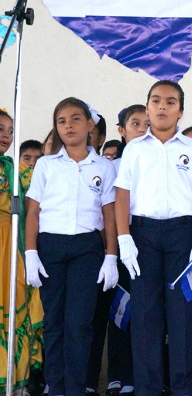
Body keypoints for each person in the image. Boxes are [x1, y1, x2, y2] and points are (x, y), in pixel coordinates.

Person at [114, 80, 192, 396]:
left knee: (182, 314)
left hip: (182, 236)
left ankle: (185, 389)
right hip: (143, 236)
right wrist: (124, 238)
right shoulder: (134, 149)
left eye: (170, 102)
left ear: (180, 111)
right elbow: (121, 196)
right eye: (156, 101)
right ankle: (148, 388)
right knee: (145, 316)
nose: (162, 106)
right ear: (147, 108)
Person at [25, 97, 119, 396]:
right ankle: (56, 387)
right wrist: (30, 253)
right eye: (62, 121)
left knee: (79, 324)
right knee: (54, 323)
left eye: (75, 119)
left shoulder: (104, 167)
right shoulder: (46, 165)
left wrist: (110, 256)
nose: (69, 125)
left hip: (87, 249)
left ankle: (77, 388)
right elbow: (33, 211)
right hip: (50, 247)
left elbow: (109, 214)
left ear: (89, 124)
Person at [86, 105, 148, 396]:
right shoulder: (112, 166)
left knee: (146, 310)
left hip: (150, 240)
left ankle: (140, 373)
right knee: (119, 307)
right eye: (135, 124)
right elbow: (105, 210)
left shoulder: (159, 160)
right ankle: (118, 373)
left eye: (147, 124)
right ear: (122, 132)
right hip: (118, 241)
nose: (143, 129)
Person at [0, 109, 44, 395]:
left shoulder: (15, 170)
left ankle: (13, 382)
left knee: (15, 312)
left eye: (10, 130)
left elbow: (42, 183)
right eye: (1, 129)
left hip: (9, 248)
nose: (6, 135)